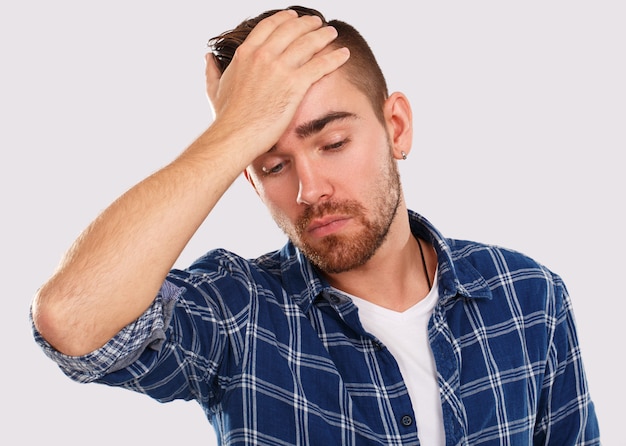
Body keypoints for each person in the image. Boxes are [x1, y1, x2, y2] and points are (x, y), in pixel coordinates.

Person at [31, 5, 600, 445]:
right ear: (249, 178)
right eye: (272, 165)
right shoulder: (239, 313)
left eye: (333, 142)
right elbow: (74, 323)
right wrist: (233, 132)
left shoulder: (528, 296)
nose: (310, 190)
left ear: (396, 127)